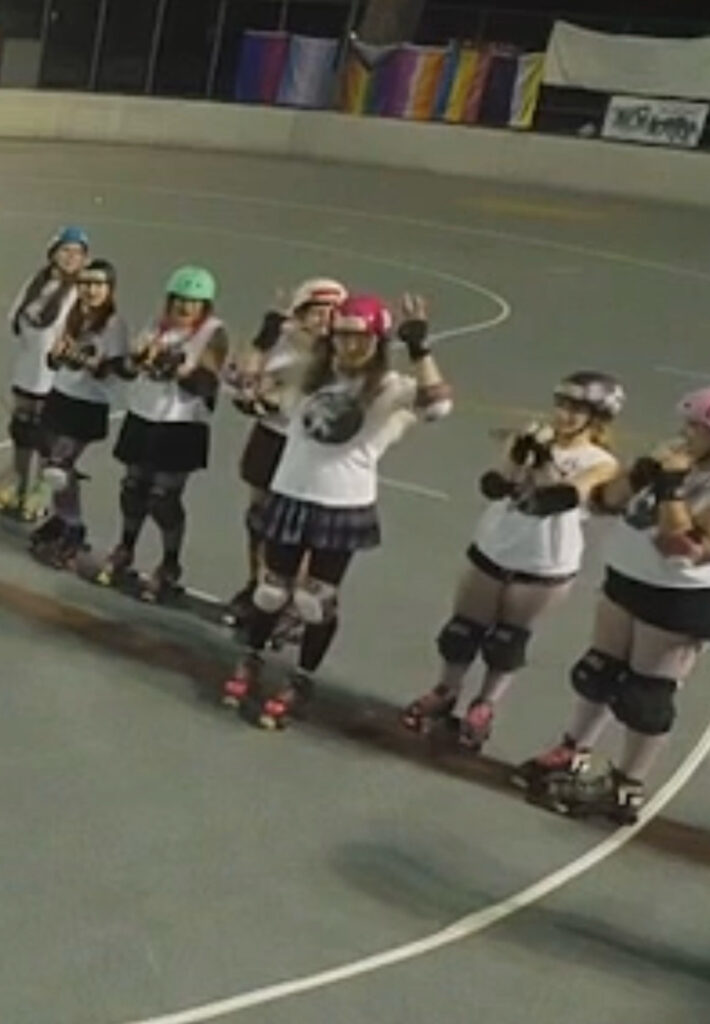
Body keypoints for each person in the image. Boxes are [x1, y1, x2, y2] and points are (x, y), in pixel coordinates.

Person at [222, 292, 452, 728]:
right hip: (290, 494)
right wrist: (265, 337)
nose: (349, 346)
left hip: (341, 503)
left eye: (360, 338)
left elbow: (438, 405)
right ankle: (251, 658)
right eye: (343, 336)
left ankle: (302, 679)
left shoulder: (390, 388)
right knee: (270, 592)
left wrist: (421, 350)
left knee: (314, 603)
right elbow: (240, 385)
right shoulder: (308, 378)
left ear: (378, 341)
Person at [514, 388, 710, 824]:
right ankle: (572, 751)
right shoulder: (677, 463)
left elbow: (682, 546)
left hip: (676, 599)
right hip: (625, 580)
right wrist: (642, 474)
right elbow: (606, 501)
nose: (685, 433)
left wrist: (672, 487)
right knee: (597, 672)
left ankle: (626, 786)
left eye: (696, 428)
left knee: (646, 696)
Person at [402, 372, 625, 752]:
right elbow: (494, 484)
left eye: (579, 410)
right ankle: (446, 690)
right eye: (564, 406)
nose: (567, 416)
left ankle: (485, 705)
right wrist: (517, 454)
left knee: (507, 642)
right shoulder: (533, 435)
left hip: (545, 563)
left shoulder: (601, 461)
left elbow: (560, 497)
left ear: (596, 419)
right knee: (460, 633)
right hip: (495, 547)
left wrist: (543, 461)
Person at [95, 266, 228, 601]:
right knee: (133, 488)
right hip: (143, 416)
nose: (185, 308)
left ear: (204, 307)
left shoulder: (213, 333)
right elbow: (128, 370)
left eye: (194, 303)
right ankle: (125, 548)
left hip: (182, 424)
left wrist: (175, 369)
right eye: (180, 301)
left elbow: (207, 383)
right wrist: (136, 360)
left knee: (163, 498)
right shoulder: (156, 325)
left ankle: (170, 564)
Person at [223, 278, 348, 626]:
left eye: (331, 313)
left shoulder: (341, 356)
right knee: (258, 521)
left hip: (307, 450)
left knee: (295, 528)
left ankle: (291, 602)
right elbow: (244, 380)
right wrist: (262, 344)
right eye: (316, 312)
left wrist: (278, 397)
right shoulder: (281, 341)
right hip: (270, 439)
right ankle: (257, 585)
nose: (324, 320)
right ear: (300, 313)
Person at [30, 259, 130, 567]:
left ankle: (74, 527)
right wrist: (57, 356)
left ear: (109, 289)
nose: (90, 289)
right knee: (54, 465)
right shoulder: (74, 315)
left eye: (97, 284)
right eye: (85, 283)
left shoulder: (114, 324)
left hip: (87, 404)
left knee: (60, 468)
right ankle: (62, 518)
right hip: (61, 395)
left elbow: (115, 369)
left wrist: (84, 362)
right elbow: (53, 360)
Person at [2, 226, 89, 521]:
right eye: (66, 250)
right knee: (21, 429)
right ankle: (17, 481)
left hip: (54, 376)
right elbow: (15, 317)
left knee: (47, 437)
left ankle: (40, 491)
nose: (70, 257)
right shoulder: (36, 284)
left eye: (77, 253)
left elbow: (83, 332)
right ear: (53, 252)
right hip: (27, 370)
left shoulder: (80, 292)